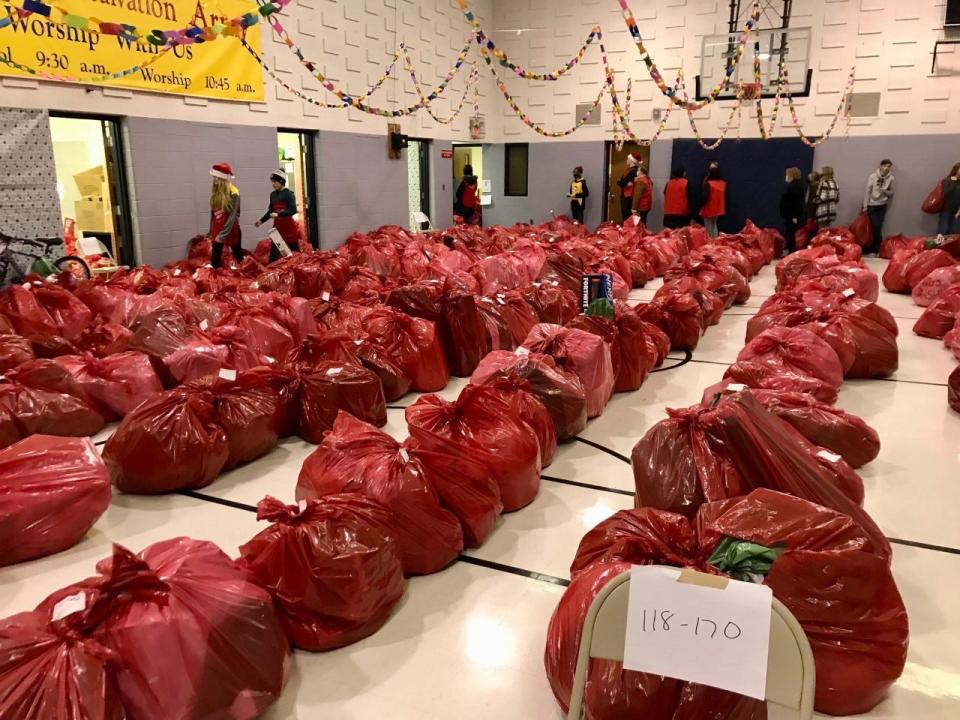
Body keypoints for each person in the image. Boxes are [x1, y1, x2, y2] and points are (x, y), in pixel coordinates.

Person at [254, 169, 300, 263]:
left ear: (281, 181)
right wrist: (261, 221)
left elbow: (293, 210)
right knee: (274, 254)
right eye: (272, 182)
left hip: (289, 228)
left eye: (275, 182)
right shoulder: (273, 195)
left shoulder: (289, 194)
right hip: (277, 228)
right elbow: (270, 211)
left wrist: (279, 214)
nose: (273, 184)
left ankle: (300, 269)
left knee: (295, 252)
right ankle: (272, 272)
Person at [208, 162, 242, 269]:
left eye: (217, 178)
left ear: (223, 178)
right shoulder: (216, 191)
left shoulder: (234, 192)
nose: (215, 180)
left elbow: (233, 216)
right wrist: (210, 231)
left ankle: (248, 279)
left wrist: (222, 235)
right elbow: (212, 214)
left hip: (230, 230)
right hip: (217, 229)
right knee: (215, 261)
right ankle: (215, 283)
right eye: (214, 178)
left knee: (238, 257)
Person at [863, 159, 895, 253]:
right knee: (874, 226)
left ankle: (876, 248)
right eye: (885, 166)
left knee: (878, 226)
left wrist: (885, 191)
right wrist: (865, 205)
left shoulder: (891, 178)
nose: (887, 168)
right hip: (872, 205)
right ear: (881, 166)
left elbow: (892, 192)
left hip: (882, 205)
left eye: (889, 166)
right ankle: (876, 246)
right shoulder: (873, 176)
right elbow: (867, 191)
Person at [779, 167, 805, 254]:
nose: (785, 176)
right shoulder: (796, 185)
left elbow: (795, 202)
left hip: (792, 215)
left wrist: (794, 215)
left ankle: (792, 250)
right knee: (790, 232)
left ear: (791, 175)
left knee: (791, 232)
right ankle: (790, 248)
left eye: (787, 175)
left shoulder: (794, 186)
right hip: (791, 214)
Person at [700, 164, 726, 237]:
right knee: (714, 225)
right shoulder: (722, 183)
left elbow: (705, 197)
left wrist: (700, 204)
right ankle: (715, 242)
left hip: (709, 208)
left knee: (708, 228)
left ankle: (710, 244)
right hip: (718, 209)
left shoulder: (708, 183)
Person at [616, 153, 641, 223]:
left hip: (629, 196)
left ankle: (628, 232)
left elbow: (622, 182)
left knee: (627, 216)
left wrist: (622, 182)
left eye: (628, 159)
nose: (627, 160)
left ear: (632, 161)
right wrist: (622, 182)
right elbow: (622, 182)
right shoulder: (629, 170)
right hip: (625, 195)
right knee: (625, 215)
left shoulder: (634, 171)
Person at [939, 162, 960, 236]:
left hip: (957, 211)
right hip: (946, 210)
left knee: (956, 233)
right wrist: (954, 181)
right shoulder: (948, 180)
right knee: (943, 231)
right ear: (956, 170)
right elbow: (946, 192)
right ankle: (940, 247)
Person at [631, 161, 653, 226]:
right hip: (646, 206)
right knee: (643, 223)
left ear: (641, 172)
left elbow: (637, 195)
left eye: (638, 170)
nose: (637, 171)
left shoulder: (641, 181)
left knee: (639, 226)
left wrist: (634, 208)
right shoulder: (647, 180)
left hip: (641, 206)